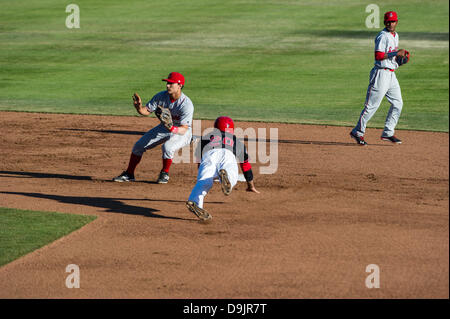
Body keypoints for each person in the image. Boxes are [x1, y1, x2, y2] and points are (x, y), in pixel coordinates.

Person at [113, 72, 193, 183]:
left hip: (181, 132)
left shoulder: (186, 104)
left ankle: (164, 173)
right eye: (167, 83)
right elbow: (146, 111)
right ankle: (129, 174)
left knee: (168, 147)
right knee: (138, 146)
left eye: (171, 83)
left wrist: (172, 129)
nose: (167, 86)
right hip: (164, 128)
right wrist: (139, 108)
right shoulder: (160, 96)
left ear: (179, 85)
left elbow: (184, 128)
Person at [350, 11, 408, 146]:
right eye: (388, 21)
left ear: (396, 22)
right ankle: (357, 132)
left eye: (393, 21)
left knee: (398, 103)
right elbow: (379, 55)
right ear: (384, 22)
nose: (390, 23)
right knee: (372, 106)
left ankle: (388, 132)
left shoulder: (395, 35)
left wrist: (400, 60)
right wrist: (396, 53)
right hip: (380, 74)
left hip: (391, 75)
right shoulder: (382, 36)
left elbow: (392, 57)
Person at [186, 116, 260, 221]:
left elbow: (199, 161)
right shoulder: (236, 141)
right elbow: (245, 165)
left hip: (209, 155)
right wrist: (250, 185)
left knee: (203, 182)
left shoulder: (205, 138)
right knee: (232, 175)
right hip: (227, 154)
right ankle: (227, 178)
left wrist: (203, 174)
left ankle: (195, 202)